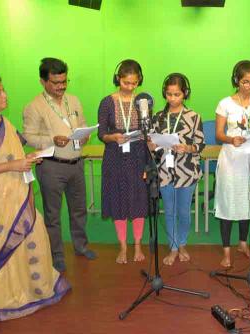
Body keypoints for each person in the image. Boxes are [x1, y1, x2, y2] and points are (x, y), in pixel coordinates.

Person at [0, 72, 70, 321]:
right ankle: (7, 299)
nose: (4, 95)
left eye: (3, 90)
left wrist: (29, 158)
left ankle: (35, 291)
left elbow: (16, 151)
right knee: (4, 248)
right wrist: (13, 166)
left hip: (17, 194)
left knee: (35, 235)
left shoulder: (3, 122)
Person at [23, 58, 96, 273]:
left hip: (76, 163)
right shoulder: (34, 106)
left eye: (64, 81)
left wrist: (84, 137)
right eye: (56, 82)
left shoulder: (73, 100)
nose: (61, 86)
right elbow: (28, 136)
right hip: (51, 166)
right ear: (43, 81)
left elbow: (82, 125)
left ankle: (81, 246)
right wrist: (51, 140)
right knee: (53, 215)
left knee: (79, 210)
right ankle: (56, 256)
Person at [150, 73, 205, 265]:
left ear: (185, 94)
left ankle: (182, 243)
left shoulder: (194, 117)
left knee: (183, 212)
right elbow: (152, 143)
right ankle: (173, 247)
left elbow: (200, 145)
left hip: (187, 172)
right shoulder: (158, 117)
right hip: (165, 171)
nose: (172, 98)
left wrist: (187, 148)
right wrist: (152, 145)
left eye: (177, 94)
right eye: (169, 94)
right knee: (170, 211)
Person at [97, 59, 147, 264]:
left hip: (137, 157)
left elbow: (147, 130)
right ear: (118, 79)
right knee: (118, 202)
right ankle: (123, 247)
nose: (130, 87)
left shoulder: (142, 102)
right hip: (115, 158)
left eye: (134, 83)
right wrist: (113, 137)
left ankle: (137, 246)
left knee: (137, 201)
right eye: (126, 82)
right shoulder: (107, 102)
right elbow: (101, 133)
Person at [214, 60, 250, 267]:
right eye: (245, 81)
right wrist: (232, 139)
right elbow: (219, 134)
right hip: (230, 161)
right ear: (236, 80)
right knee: (227, 203)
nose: (249, 86)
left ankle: (243, 243)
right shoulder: (225, 103)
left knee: (248, 201)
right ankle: (226, 251)